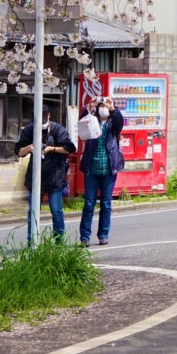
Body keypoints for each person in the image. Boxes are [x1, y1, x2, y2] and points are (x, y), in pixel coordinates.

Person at [16, 107, 76, 240]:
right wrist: (29, 148)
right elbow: (19, 151)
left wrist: (52, 149)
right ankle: (32, 241)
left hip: (55, 175)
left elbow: (69, 148)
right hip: (36, 176)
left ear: (49, 116)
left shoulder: (58, 129)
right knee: (33, 212)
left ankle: (59, 240)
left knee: (56, 211)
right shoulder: (29, 129)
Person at [78, 98, 125, 247]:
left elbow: (119, 122)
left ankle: (103, 234)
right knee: (89, 203)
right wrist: (89, 107)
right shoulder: (92, 120)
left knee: (106, 204)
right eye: (102, 106)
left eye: (106, 106)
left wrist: (112, 108)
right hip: (91, 168)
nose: (103, 108)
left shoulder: (113, 124)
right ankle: (85, 236)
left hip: (108, 169)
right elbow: (81, 121)